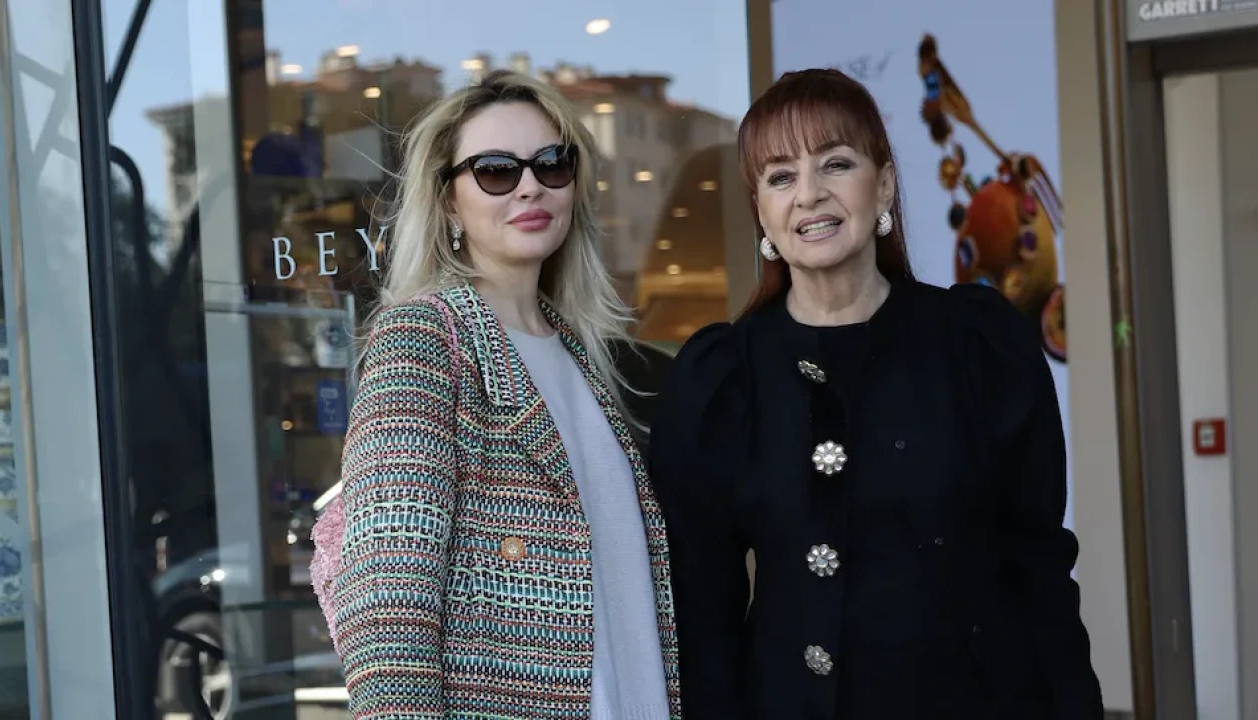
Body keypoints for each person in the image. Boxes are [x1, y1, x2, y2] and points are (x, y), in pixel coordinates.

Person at [647, 68, 1103, 720]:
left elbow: (1040, 568)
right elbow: (701, 617)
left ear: (883, 183)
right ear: (761, 211)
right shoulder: (721, 378)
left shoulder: (978, 346)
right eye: (780, 177)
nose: (810, 194)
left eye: (836, 164)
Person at [325, 70, 679, 719]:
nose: (529, 186)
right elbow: (387, 608)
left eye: (552, 164)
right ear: (449, 201)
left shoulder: (583, 358)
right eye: (495, 170)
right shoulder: (425, 339)